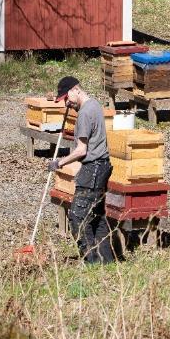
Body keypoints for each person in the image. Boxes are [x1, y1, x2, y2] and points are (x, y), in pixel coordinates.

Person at [47, 76, 121, 264]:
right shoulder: (94, 105)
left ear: (75, 90)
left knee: (78, 217)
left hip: (93, 169)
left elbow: (81, 150)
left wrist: (59, 163)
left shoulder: (85, 114)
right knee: (97, 217)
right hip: (104, 166)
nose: (67, 103)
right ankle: (106, 261)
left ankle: (92, 261)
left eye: (66, 98)